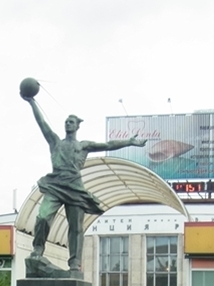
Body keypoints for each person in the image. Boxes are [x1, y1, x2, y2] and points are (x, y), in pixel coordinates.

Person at [22, 94, 146, 275]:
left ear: (77, 126)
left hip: (75, 189)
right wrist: (32, 101)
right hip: (55, 185)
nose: (68, 124)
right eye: (66, 121)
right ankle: (38, 250)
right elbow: (42, 123)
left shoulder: (83, 145)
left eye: (71, 122)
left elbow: (108, 144)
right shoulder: (55, 142)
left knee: (76, 229)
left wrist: (129, 142)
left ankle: (75, 263)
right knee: (42, 217)